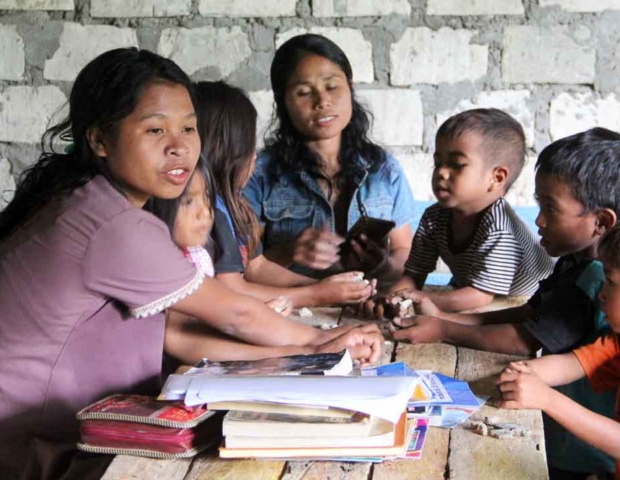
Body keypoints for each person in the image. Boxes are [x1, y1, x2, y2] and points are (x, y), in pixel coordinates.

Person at [0, 47, 383, 480]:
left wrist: (309, 351)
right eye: (155, 130)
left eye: (189, 128)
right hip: (27, 448)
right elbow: (236, 313)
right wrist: (318, 347)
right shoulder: (111, 223)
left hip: (57, 432)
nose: (179, 147)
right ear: (98, 140)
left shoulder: (93, 202)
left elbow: (175, 334)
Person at [390, 128, 620, 478]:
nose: (539, 220)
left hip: (584, 449)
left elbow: (525, 338)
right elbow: (536, 319)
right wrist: (443, 318)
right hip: (567, 436)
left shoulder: (592, 277)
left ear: (601, 221)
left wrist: (443, 328)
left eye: (550, 208)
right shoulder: (575, 262)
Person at [243, 33, 416, 289]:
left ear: (350, 86)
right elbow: (244, 265)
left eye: (332, 86)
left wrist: (384, 267)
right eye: (303, 92)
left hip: (367, 309)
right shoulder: (258, 174)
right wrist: (290, 250)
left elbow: (404, 250)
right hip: (292, 313)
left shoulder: (384, 169)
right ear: (283, 101)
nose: (322, 101)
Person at [191, 80, 376, 309]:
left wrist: (332, 288)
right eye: (249, 148)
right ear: (226, 153)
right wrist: (317, 295)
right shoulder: (208, 213)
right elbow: (232, 290)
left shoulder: (235, 207)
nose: (255, 158)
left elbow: (257, 268)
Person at [394, 108, 554, 312]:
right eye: (437, 163)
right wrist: (395, 298)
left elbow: (479, 297)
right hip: (475, 291)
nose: (442, 172)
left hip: (524, 301)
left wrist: (418, 299)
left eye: (457, 164)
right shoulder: (434, 217)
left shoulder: (500, 230)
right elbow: (413, 274)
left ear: (496, 178)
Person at [497, 223, 620, 480]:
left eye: (610, 282)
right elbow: (569, 365)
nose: (602, 295)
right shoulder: (615, 342)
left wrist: (546, 398)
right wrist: (524, 373)